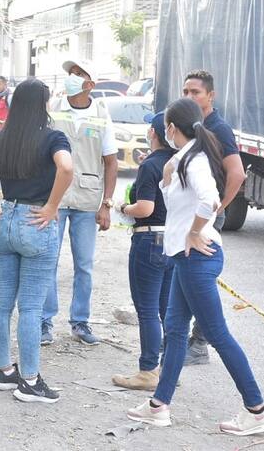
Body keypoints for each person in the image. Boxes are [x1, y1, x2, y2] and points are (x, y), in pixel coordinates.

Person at [126, 98, 264, 436]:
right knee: (176, 330)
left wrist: (194, 232)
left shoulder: (193, 160)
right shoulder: (186, 157)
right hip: (186, 257)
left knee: (217, 335)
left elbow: (210, 201)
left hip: (197, 257)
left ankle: (257, 409)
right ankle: (159, 405)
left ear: (171, 128)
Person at [0, 78, 73, 403]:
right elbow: (66, 167)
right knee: (31, 307)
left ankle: (4, 372)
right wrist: (52, 206)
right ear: (43, 105)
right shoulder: (53, 137)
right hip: (36, 222)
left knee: (1, 302)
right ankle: (30, 381)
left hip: (4, 220)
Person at [41, 58, 118, 346]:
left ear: (90, 84)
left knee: (84, 265)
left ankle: (80, 322)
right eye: (70, 73)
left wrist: (106, 204)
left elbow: (111, 163)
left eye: (78, 73)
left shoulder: (101, 114)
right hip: (55, 197)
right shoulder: (53, 109)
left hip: (87, 198)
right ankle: (44, 321)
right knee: (48, 261)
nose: (72, 77)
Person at [181, 69, 246, 366]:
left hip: (205, 218)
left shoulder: (218, 129)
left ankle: (199, 343)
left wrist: (220, 208)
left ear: (211, 96)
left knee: (200, 281)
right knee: (185, 279)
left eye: (195, 92)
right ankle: (182, 340)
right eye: (185, 92)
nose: (189, 96)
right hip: (189, 215)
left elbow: (237, 173)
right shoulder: (190, 125)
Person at [111, 112, 175, 391]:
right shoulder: (178, 162)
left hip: (149, 240)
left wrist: (122, 208)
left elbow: (145, 208)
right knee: (167, 310)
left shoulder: (150, 166)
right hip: (173, 240)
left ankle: (148, 371)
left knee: (147, 311)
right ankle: (168, 370)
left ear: (153, 133)